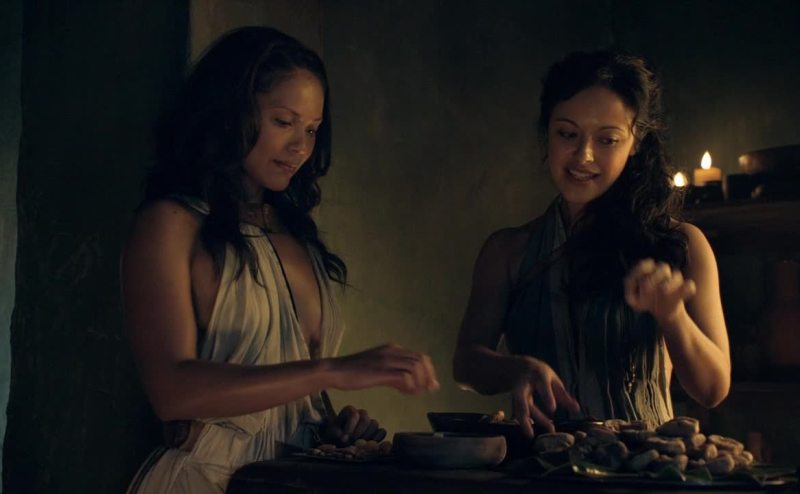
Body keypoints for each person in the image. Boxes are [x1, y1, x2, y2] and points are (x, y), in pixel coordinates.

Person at [121, 26, 438, 494]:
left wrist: (328, 424)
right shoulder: (170, 224)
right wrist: (334, 370)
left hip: (293, 482)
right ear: (231, 111)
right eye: (284, 122)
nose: (301, 148)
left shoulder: (296, 236)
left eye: (311, 129)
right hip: (205, 482)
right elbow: (172, 392)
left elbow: (288, 390)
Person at [453, 51, 730, 438]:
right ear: (547, 133)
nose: (583, 156)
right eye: (567, 134)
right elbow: (466, 363)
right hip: (541, 464)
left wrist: (673, 317)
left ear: (635, 142)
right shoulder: (508, 251)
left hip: (644, 464)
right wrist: (517, 368)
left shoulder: (680, 244)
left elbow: (713, 389)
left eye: (607, 140)